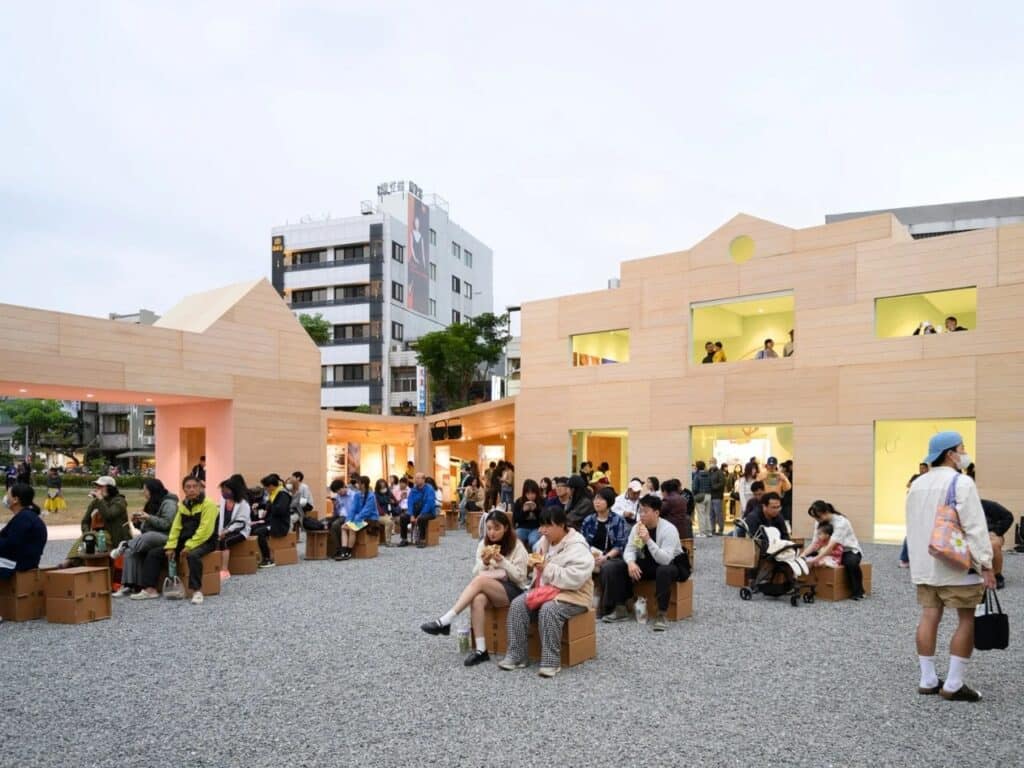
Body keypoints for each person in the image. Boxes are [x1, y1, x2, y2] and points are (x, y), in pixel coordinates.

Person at [906, 431, 994, 702]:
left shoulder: (917, 484)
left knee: (929, 615)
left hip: (926, 564)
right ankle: (954, 683)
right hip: (957, 565)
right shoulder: (962, 482)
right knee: (966, 618)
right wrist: (986, 563)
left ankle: (927, 678)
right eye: (961, 448)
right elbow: (975, 527)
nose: (964, 452)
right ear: (949, 453)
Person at [420, 510, 529, 666]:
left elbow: (521, 578)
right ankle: (481, 649)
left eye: (496, 528)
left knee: (480, 581)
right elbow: (476, 570)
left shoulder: (517, 546)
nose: (492, 532)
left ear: (506, 528)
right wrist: (484, 563)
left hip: (514, 590)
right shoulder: (483, 545)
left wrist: (502, 561)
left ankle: (446, 620)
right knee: (477, 599)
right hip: (491, 587)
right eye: (489, 528)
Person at [498, 507, 595, 678]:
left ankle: (551, 661)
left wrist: (546, 568)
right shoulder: (544, 542)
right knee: (518, 604)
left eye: (547, 526)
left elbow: (575, 579)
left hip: (574, 595)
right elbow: (538, 572)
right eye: (541, 525)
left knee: (549, 610)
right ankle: (516, 655)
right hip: (546, 591)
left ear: (562, 525)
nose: (542, 530)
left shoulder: (578, 546)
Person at [601, 494, 689, 631]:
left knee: (663, 571)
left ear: (656, 512)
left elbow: (665, 559)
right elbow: (629, 549)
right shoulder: (638, 527)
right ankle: (620, 607)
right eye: (640, 511)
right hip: (647, 561)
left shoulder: (669, 529)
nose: (641, 515)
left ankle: (661, 614)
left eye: (645, 511)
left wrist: (648, 540)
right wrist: (630, 563)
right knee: (614, 566)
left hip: (671, 564)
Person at [132, 475, 219, 605]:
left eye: (195, 486)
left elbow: (205, 530)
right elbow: (176, 528)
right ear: (183, 489)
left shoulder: (209, 505)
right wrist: (171, 546)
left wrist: (189, 546)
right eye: (188, 487)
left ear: (200, 488)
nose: (191, 490)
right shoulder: (183, 505)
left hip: (206, 541)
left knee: (193, 555)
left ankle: (197, 591)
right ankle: (150, 589)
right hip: (186, 541)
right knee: (155, 553)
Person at [112, 478, 179, 597]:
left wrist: (149, 518)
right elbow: (145, 529)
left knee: (148, 536)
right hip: (153, 536)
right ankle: (129, 585)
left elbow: (167, 524)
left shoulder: (169, 503)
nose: (144, 493)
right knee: (130, 552)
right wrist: (137, 522)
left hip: (168, 537)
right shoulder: (151, 503)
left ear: (152, 490)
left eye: (145, 490)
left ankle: (126, 544)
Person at [802, 500, 865, 600]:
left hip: (846, 550)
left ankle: (858, 591)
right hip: (826, 549)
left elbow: (831, 546)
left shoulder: (841, 522)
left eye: (818, 517)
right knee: (807, 557)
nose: (817, 520)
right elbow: (815, 543)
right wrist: (803, 555)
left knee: (851, 563)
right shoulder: (819, 522)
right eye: (815, 517)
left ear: (826, 512)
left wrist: (815, 560)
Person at [61, 476, 129, 567]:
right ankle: (72, 564)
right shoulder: (96, 502)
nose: (98, 489)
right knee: (88, 539)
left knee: (92, 537)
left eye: (101, 487)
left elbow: (109, 515)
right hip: (96, 535)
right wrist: (87, 533)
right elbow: (85, 521)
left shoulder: (120, 501)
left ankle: (69, 561)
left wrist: (101, 500)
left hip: (114, 536)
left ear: (110, 487)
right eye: (97, 487)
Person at [581, 487, 627, 607]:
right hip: (591, 556)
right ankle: (581, 602)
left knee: (607, 568)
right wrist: (589, 556)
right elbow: (583, 543)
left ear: (609, 502)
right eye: (595, 499)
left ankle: (606, 606)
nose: (597, 502)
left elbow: (619, 545)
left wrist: (606, 557)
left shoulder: (618, 521)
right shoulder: (588, 520)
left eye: (601, 499)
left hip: (611, 557)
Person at [0, 483, 47, 578]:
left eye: (8, 495)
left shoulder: (24, 519)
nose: (5, 497)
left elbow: (9, 546)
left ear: (15, 500)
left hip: (16, 565)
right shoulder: (29, 517)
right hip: (23, 563)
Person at [215, 474, 251, 581]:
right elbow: (221, 518)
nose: (223, 492)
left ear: (233, 490)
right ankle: (216, 567)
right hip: (224, 530)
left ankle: (225, 570)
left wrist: (227, 531)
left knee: (225, 542)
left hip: (240, 531)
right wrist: (220, 532)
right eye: (222, 490)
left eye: (226, 490)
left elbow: (241, 522)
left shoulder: (243, 503)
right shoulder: (223, 501)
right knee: (215, 540)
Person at [335, 476, 379, 560]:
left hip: (370, 519)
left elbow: (366, 511)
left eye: (358, 483)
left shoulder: (371, 496)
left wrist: (354, 521)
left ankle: (349, 552)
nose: (356, 485)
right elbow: (353, 509)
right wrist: (348, 520)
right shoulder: (357, 495)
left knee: (352, 528)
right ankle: (344, 551)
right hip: (359, 518)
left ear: (363, 484)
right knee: (343, 527)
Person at [253, 473, 292, 568]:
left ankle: (267, 559)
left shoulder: (283, 494)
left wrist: (268, 509)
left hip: (280, 525)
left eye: (266, 487)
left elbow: (280, 510)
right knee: (253, 528)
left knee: (260, 532)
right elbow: (270, 505)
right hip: (272, 522)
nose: (265, 490)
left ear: (271, 486)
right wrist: (260, 505)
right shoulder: (274, 494)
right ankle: (258, 556)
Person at [981, 499, 1012, 590]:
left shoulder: (988, 505)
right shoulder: (960, 507)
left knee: (993, 545)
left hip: (991, 535)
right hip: (971, 536)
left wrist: (996, 532)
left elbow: (1008, 516)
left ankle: (997, 576)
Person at [400, 472, 436, 548]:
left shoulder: (429, 489)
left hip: (429, 512)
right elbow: (410, 502)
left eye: (418, 478)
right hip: (416, 512)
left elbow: (428, 504)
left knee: (421, 519)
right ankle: (404, 539)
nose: (416, 480)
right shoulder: (413, 490)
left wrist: (420, 515)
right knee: (403, 517)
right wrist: (411, 515)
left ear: (423, 480)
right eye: (415, 478)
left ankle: (422, 540)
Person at [512, 479, 543, 549]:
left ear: (536, 493)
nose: (530, 496)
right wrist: (523, 511)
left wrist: (536, 510)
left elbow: (544, 518)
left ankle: (533, 557)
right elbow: (516, 519)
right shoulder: (519, 501)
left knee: (533, 540)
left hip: (536, 528)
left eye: (533, 493)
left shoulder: (541, 501)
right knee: (516, 537)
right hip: (522, 528)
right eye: (528, 493)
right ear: (524, 493)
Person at [374, 478, 397, 546]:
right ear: (378, 487)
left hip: (390, 513)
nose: (383, 488)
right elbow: (377, 507)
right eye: (381, 487)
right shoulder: (375, 494)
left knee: (392, 520)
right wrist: (384, 514)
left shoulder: (389, 493)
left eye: (384, 486)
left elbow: (396, 502)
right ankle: (388, 541)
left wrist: (393, 502)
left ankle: (388, 540)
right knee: (389, 521)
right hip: (379, 515)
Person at [691, 461, 712, 537]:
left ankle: (702, 532)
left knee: (701, 515)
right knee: (707, 514)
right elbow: (711, 485)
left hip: (700, 496)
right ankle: (709, 531)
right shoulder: (709, 475)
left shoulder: (697, 475)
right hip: (708, 495)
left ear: (697, 467)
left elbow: (695, 488)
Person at [708, 459, 726, 535]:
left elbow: (722, 483)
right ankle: (712, 529)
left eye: (712, 462)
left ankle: (721, 529)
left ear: (716, 463)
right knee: (711, 514)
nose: (711, 464)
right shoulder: (708, 472)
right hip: (709, 496)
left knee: (718, 514)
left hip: (717, 496)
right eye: (710, 462)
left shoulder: (720, 472)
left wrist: (713, 487)